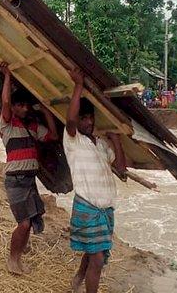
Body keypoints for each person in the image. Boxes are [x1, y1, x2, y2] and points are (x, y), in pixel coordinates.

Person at [64, 68, 127, 293]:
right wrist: (78, 85)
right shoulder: (73, 141)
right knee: (98, 259)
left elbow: (121, 168)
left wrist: (116, 140)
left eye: (91, 117)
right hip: (88, 208)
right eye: (84, 118)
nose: (88, 122)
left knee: (95, 252)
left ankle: (81, 274)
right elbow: (70, 120)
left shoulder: (101, 144)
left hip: (107, 209)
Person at [0, 61, 58, 275]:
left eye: (26, 105)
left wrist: (47, 111)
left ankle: (18, 259)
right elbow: (5, 100)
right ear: (13, 107)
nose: (24, 108)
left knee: (29, 223)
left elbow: (53, 135)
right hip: (16, 179)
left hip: (30, 180)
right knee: (23, 224)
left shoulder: (32, 127)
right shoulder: (7, 124)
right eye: (19, 105)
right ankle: (12, 260)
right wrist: (7, 76)